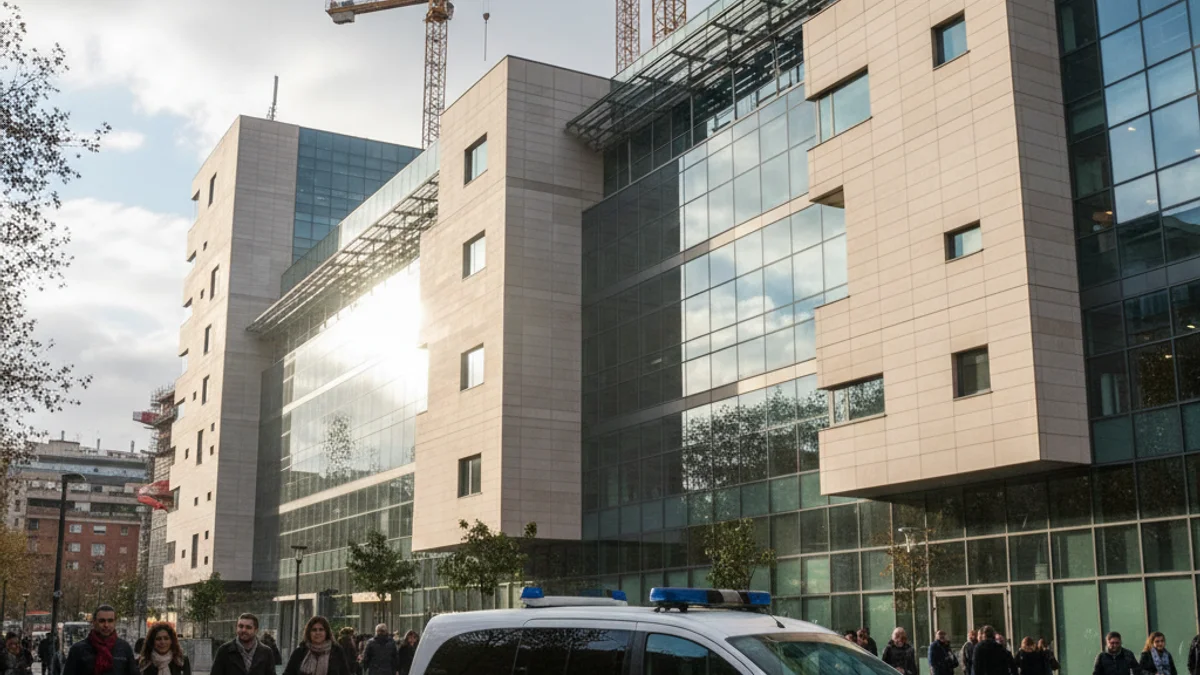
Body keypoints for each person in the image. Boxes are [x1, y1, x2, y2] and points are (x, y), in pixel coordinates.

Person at [62, 606, 138, 675]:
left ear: (115, 622)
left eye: (110, 621)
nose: (106, 625)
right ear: (94, 622)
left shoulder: (124, 648)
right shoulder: (78, 650)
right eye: (102, 621)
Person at [282, 617, 348, 675]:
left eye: (321, 629)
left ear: (326, 632)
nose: (317, 633)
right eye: (314, 630)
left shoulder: (337, 651)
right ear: (309, 633)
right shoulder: (300, 651)